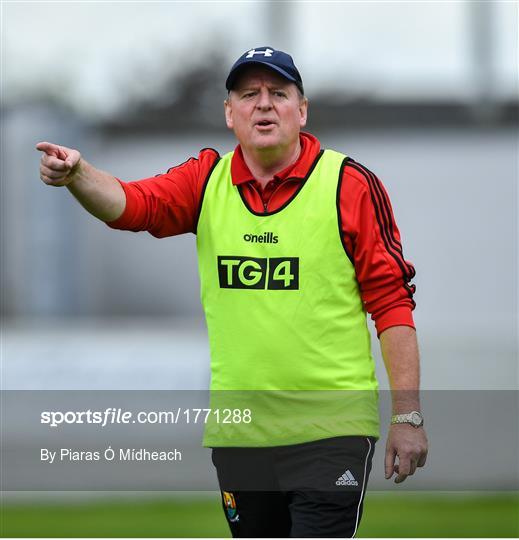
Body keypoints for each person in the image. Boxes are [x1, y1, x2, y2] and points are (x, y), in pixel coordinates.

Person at [37, 46, 428, 538]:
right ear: (229, 113)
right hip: (240, 435)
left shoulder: (349, 185)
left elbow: (392, 304)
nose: (263, 105)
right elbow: (132, 205)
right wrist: (78, 174)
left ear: (301, 110)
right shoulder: (206, 179)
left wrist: (408, 416)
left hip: (332, 432)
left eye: (278, 93)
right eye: (249, 94)